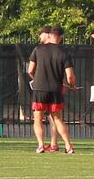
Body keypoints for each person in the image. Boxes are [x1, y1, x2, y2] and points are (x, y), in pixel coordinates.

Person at [27, 26, 76, 154]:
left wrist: (36, 78)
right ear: (61, 37)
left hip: (39, 89)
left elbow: (30, 70)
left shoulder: (38, 49)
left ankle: (41, 145)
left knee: (38, 118)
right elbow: (70, 75)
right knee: (58, 119)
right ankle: (68, 146)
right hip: (56, 89)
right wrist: (72, 85)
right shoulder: (64, 52)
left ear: (49, 35)